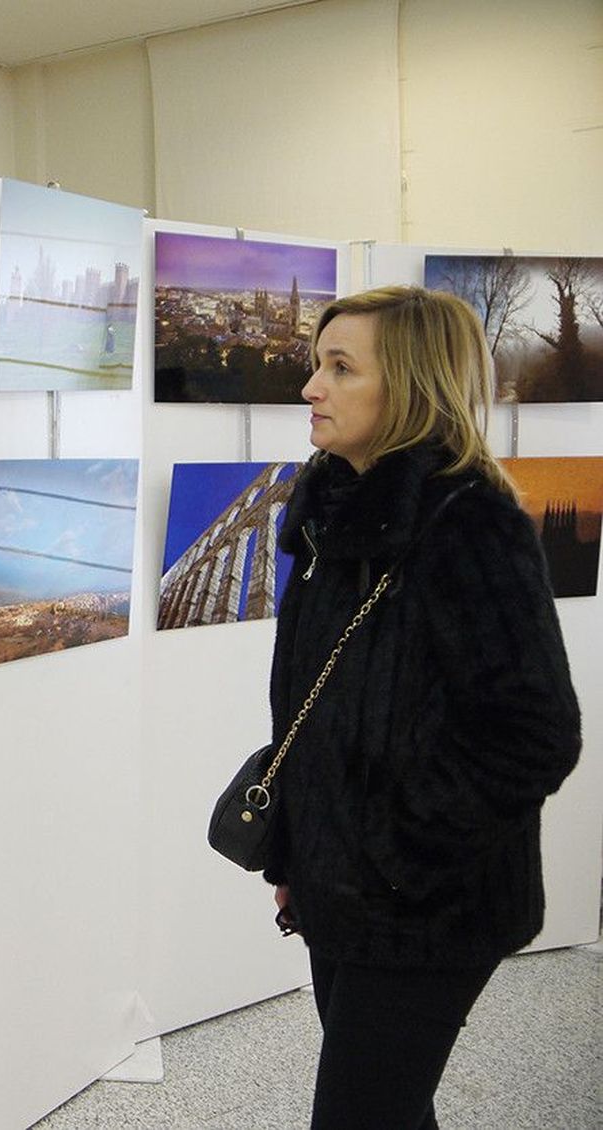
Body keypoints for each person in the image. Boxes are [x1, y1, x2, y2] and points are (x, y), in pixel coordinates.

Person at [264, 285, 581, 1129]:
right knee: (388, 1107)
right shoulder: (331, 518)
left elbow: (534, 732)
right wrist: (300, 851)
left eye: (340, 368)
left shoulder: (467, 523)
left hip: (429, 903)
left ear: (406, 388)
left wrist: (397, 854)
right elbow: (312, 705)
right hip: (339, 889)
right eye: (315, 364)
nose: (311, 388)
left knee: (362, 1112)